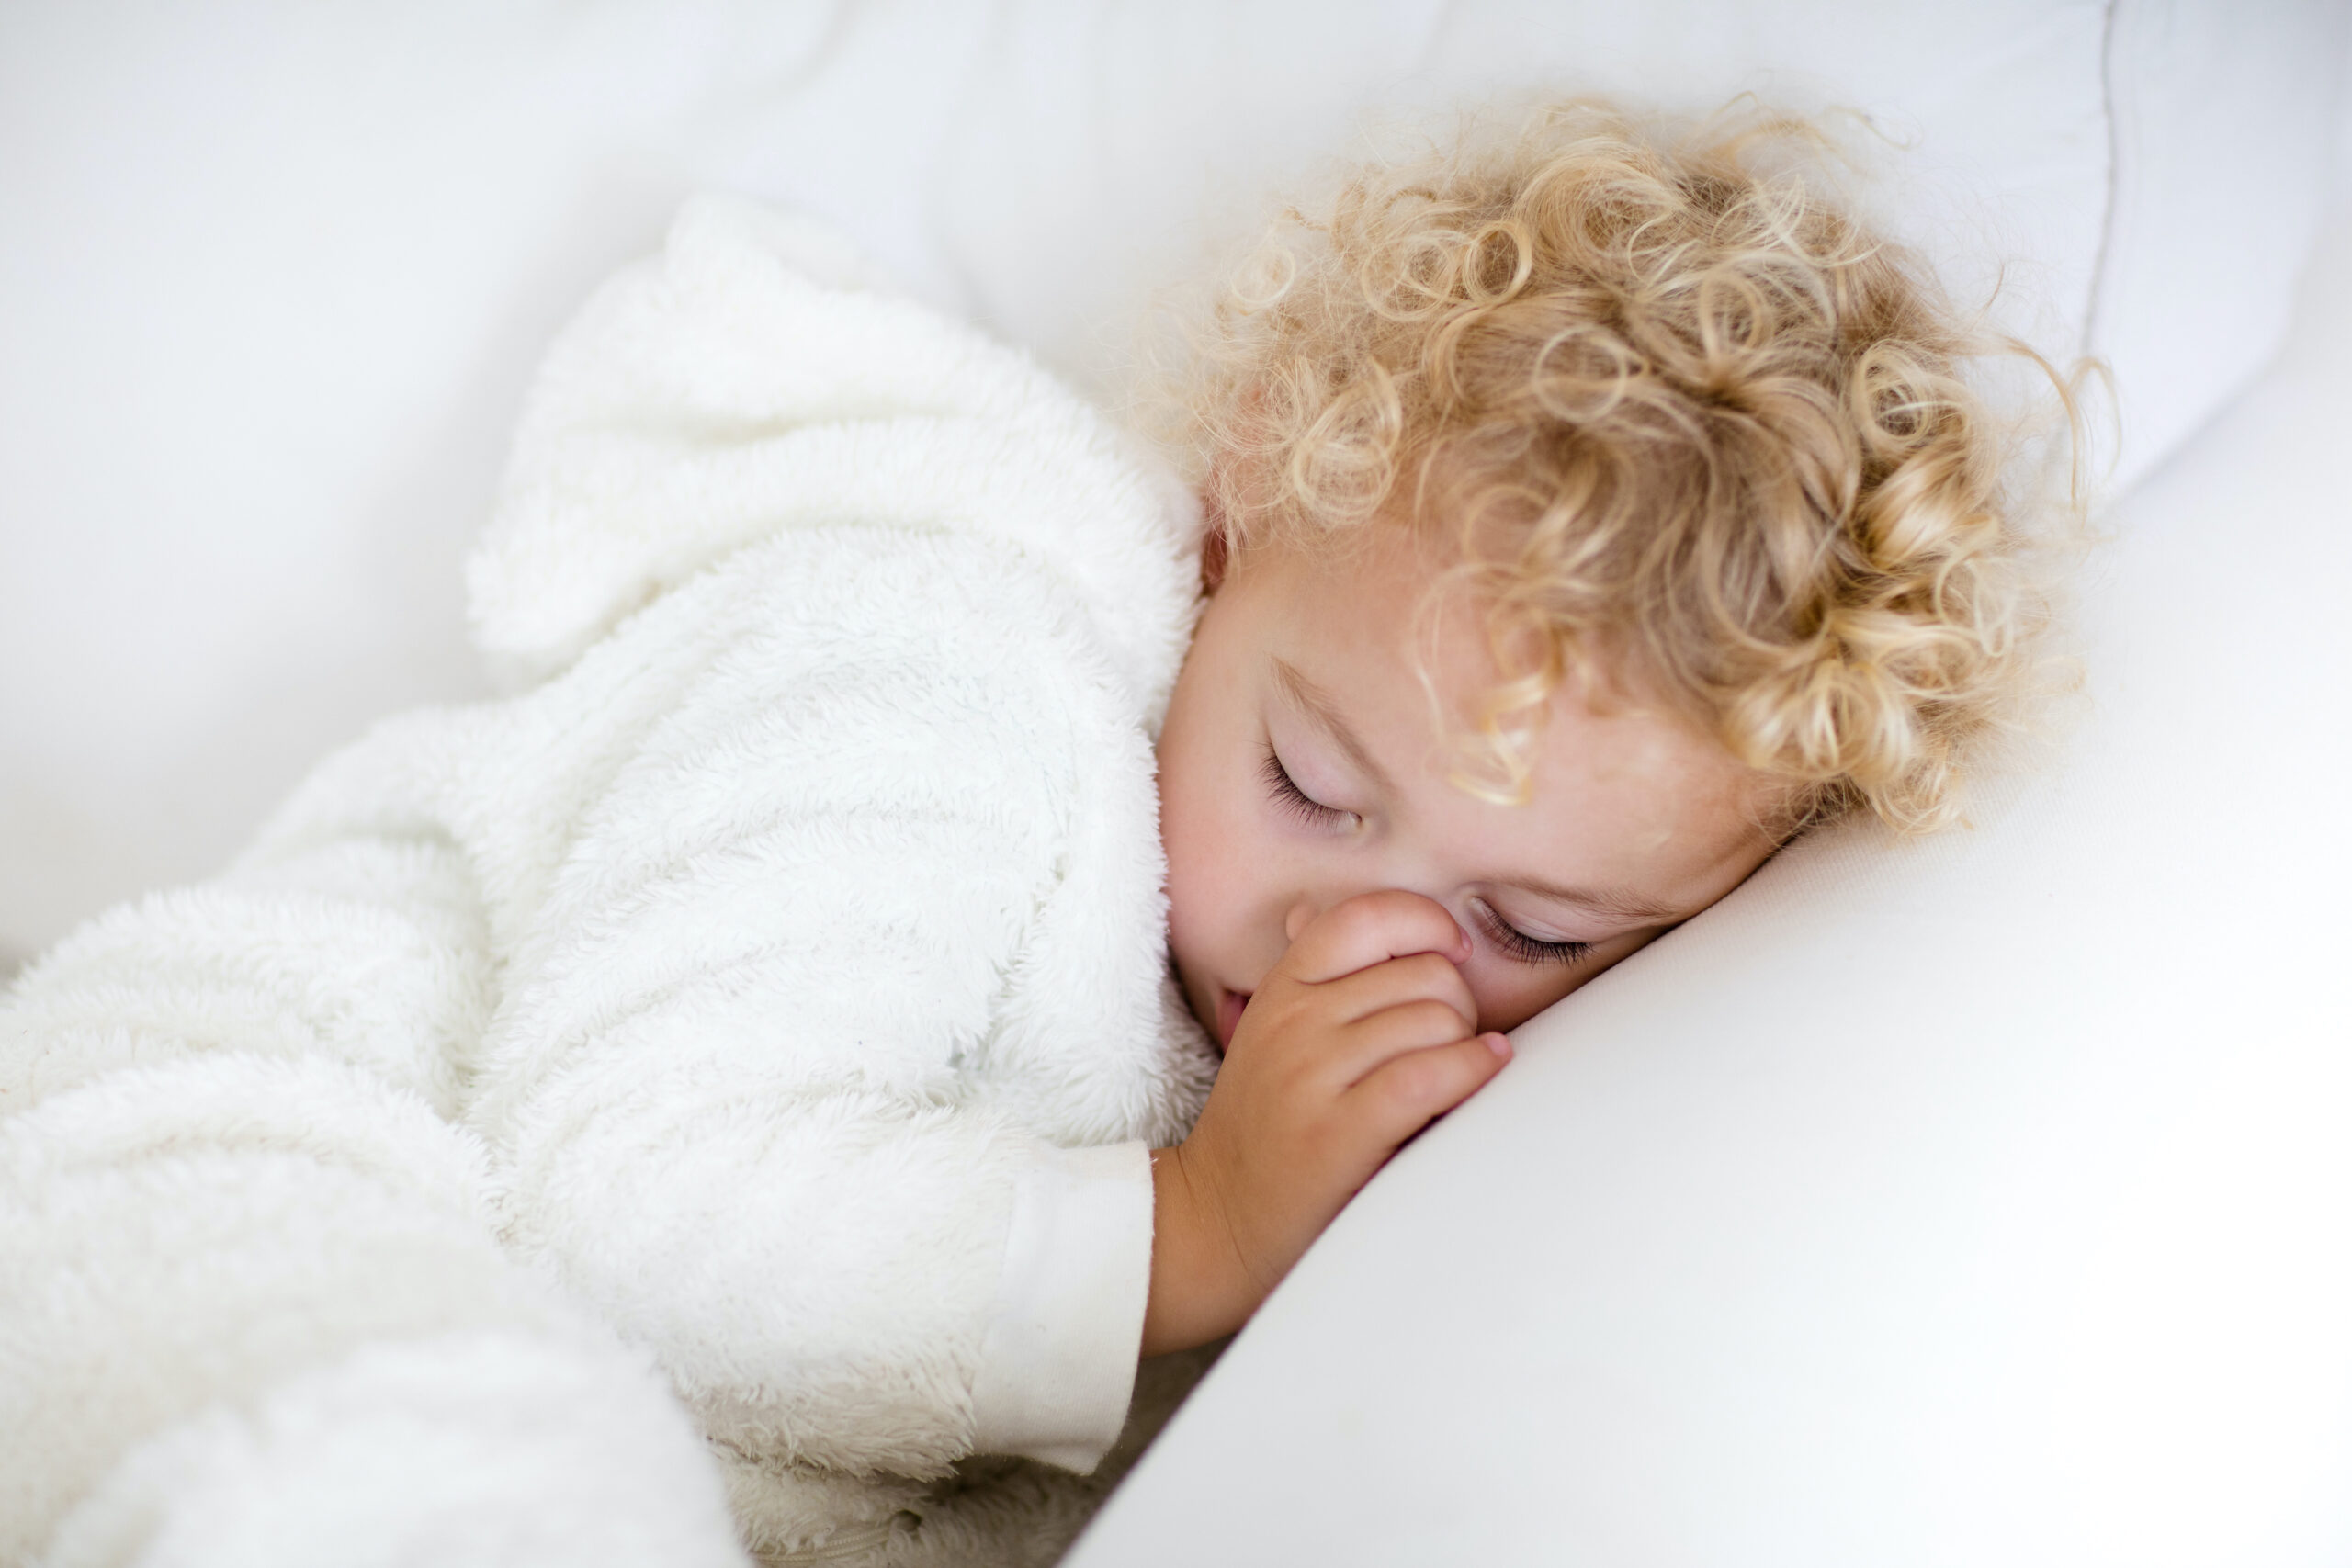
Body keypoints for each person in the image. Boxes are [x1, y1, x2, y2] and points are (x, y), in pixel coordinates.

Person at [0, 103, 2059, 1566]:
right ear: (1233, 523)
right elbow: (625, 1192)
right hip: (237, 1159)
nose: (1354, 933)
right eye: (1313, 786)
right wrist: (1189, 1233)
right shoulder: (935, 671)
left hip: (560, 1348)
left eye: (1524, 921)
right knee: (455, 1491)